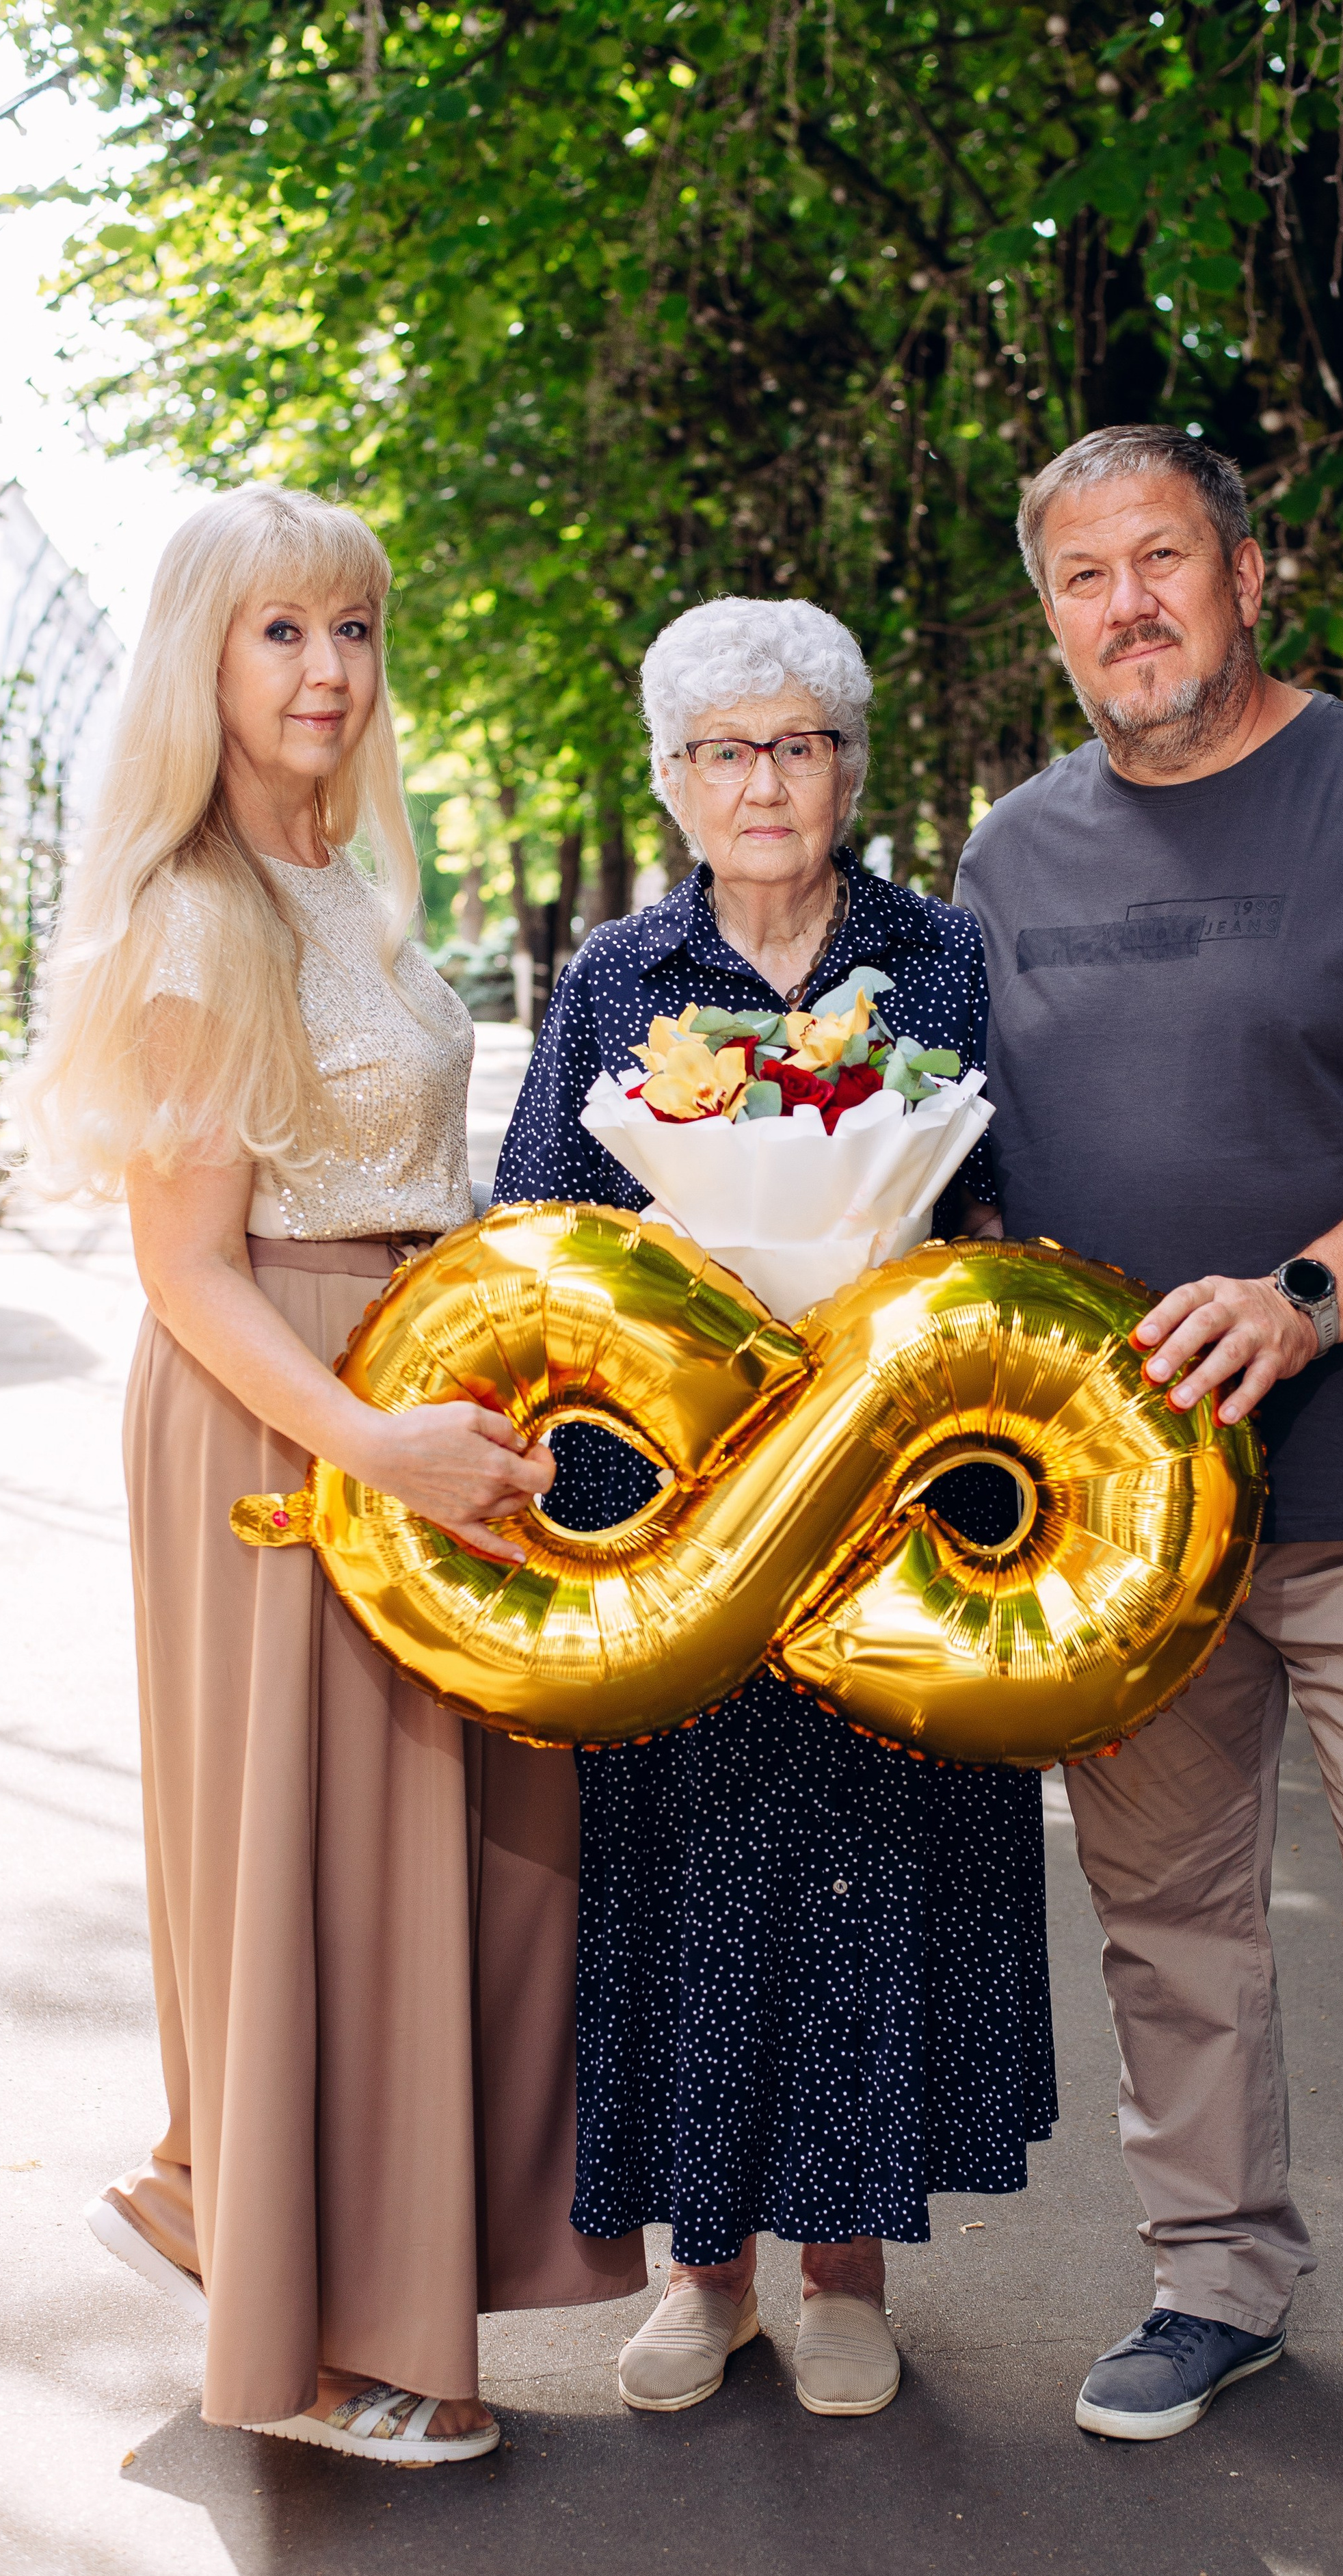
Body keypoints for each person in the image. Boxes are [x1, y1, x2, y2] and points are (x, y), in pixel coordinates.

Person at [954, 426, 1343, 2541]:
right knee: (1169, 1921)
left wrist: (1310, 1294)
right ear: (1049, 616)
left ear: (1246, 570)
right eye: (1081, 576)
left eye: (1161, 558)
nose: (1125, 603)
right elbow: (962, 1167)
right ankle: (1216, 2277)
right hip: (1126, 1520)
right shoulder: (1010, 855)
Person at [18, 485, 643, 2466]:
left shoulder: (346, 892)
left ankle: (245, 2213)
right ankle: (334, 2331)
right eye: (281, 631)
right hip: (282, 1412)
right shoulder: (202, 906)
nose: (326, 670)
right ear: (205, 660)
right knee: (338, 1859)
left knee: (458, 1851)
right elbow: (185, 1262)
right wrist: (372, 1439)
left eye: (354, 631)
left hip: (404, 1384)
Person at [492, 596, 1055, 2419]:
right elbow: (535, 1230)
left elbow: (1002, 1204)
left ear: (847, 766)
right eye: (727, 748)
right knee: (685, 1872)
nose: (764, 779)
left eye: (799, 743)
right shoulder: (618, 975)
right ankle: (701, 2275)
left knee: (873, 1869)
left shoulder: (944, 953)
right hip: (679, 1500)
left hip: (890, 1494)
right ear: (672, 779)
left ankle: (847, 2274)